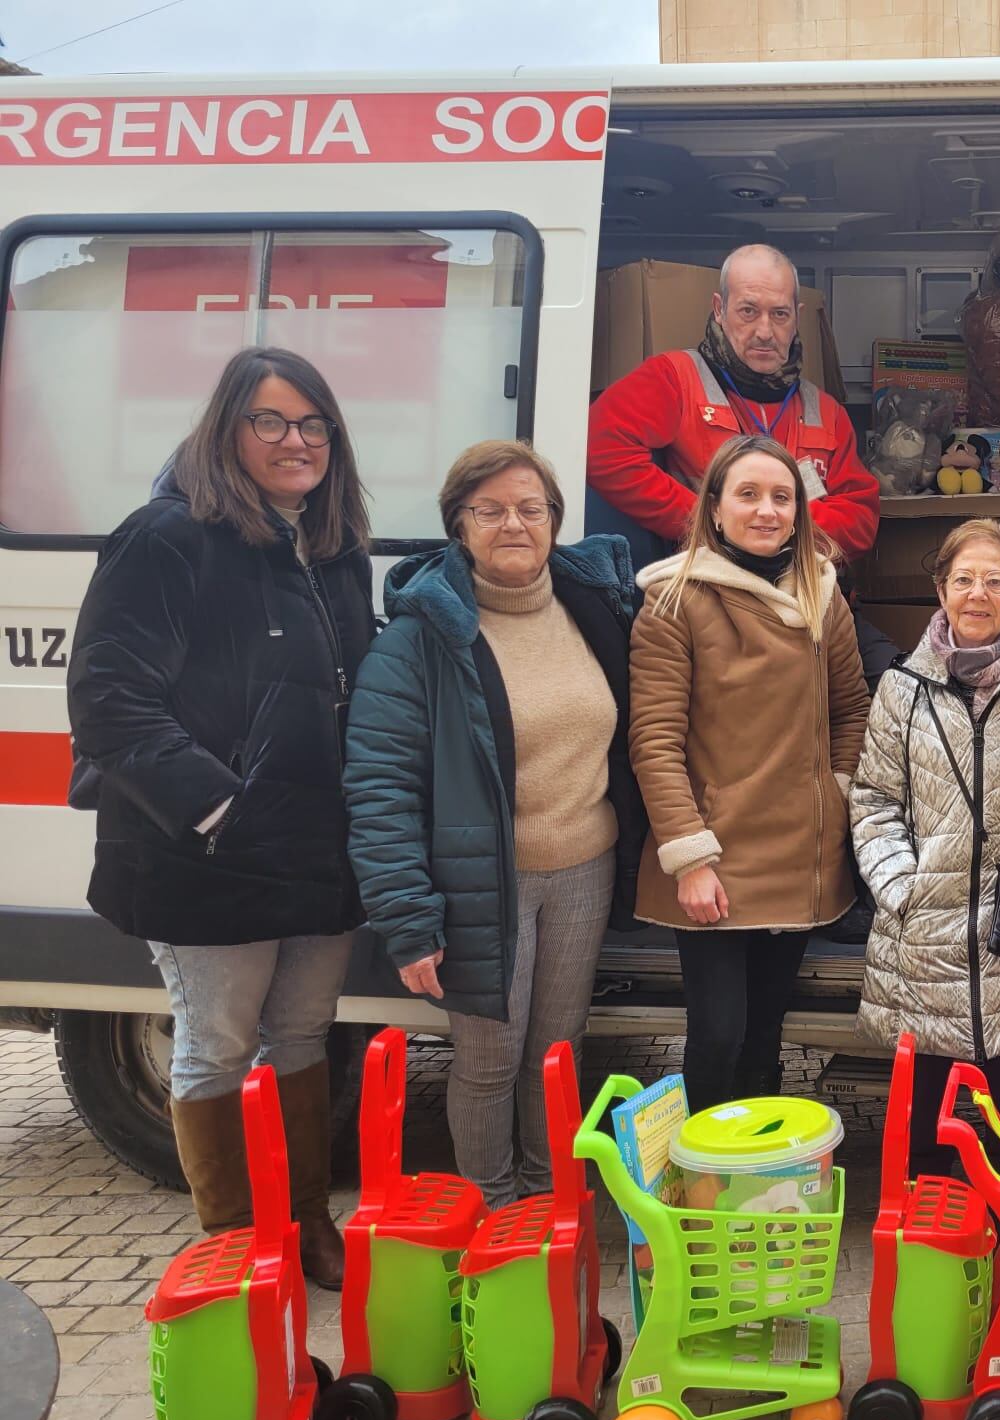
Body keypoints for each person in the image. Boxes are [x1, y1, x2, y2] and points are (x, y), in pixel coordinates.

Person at [67, 347, 374, 1288]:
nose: (297, 441)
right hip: (208, 858)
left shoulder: (335, 553)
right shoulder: (166, 538)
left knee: (301, 1038)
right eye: (271, 422)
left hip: (317, 854)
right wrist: (217, 810)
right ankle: (238, 1244)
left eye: (313, 423)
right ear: (226, 431)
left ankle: (308, 1223)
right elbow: (109, 698)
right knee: (216, 1044)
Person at [342, 441, 645, 1209]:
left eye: (530, 508)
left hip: (585, 865)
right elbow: (381, 787)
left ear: (553, 521)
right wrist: (408, 920)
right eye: (491, 510)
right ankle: (492, 1215)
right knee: (487, 1061)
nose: (514, 523)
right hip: (482, 884)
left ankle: (552, 1208)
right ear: (459, 524)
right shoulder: (420, 638)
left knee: (556, 1054)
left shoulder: (593, 607)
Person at [628, 434, 870, 1114]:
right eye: (748, 494)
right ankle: (705, 1179)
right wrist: (689, 857)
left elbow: (852, 709)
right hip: (716, 859)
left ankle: (757, 1180)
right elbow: (654, 740)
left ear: (800, 511)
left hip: (799, 853)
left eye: (782, 497)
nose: (766, 511)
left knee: (766, 1033)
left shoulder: (824, 595)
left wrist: (836, 790)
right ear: (714, 506)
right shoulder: (674, 601)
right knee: (718, 1034)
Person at [849, 519, 1000, 1172]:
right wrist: (902, 887)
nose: (977, 594)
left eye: (995, 581)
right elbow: (874, 801)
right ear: (941, 589)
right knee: (927, 1111)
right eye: (964, 579)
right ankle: (933, 1242)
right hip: (926, 923)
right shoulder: (901, 687)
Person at [586, 244, 880, 562]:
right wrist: (707, 520)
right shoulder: (675, 377)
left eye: (780, 314)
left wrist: (772, 526)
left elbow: (861, 520)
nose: (765, 332)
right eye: (748, 311)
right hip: (706, 588)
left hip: (800, 595)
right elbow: (599, 449)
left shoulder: (826, 411)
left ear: (798, 316)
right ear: (719, 309)